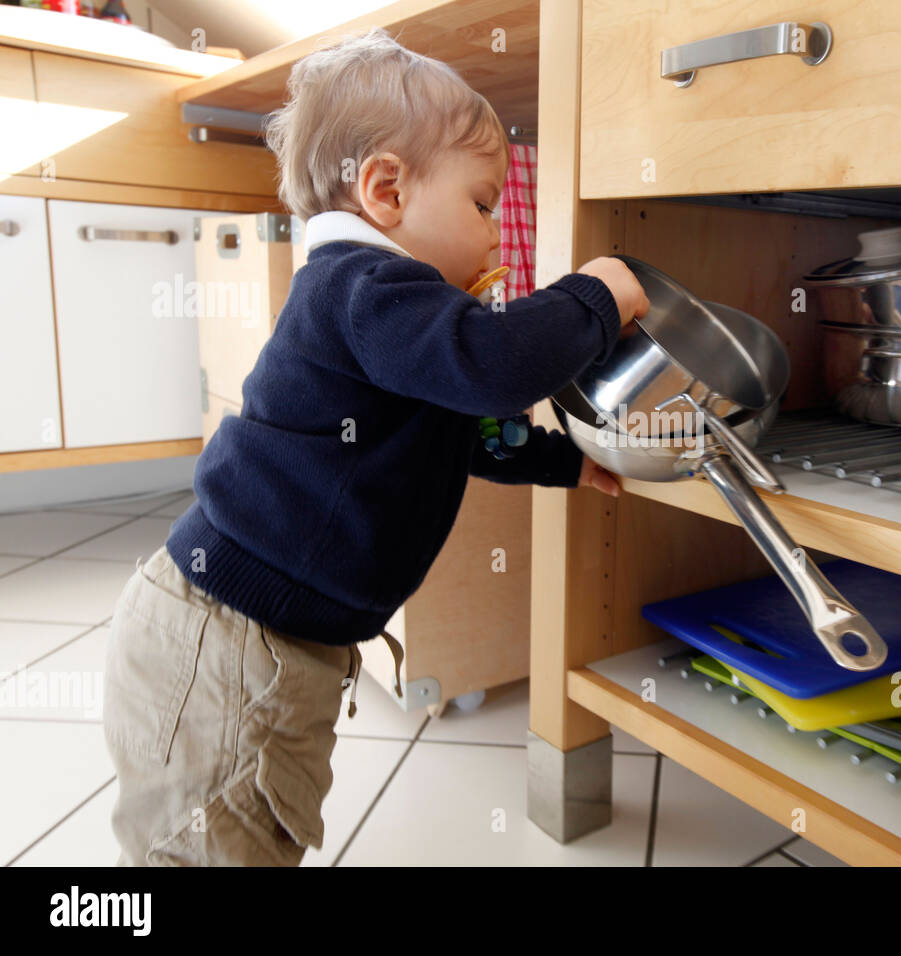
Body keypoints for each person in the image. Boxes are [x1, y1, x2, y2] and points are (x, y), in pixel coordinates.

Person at [102, 26, 648, 865]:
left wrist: (564, 461)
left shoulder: (391, 315)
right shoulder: (365, 288)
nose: (497, 234)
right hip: (231, 650)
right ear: (387, 190)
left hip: (254, 641)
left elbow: (468, 433)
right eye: (481, 204)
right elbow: (492, 368)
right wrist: (594, 295)